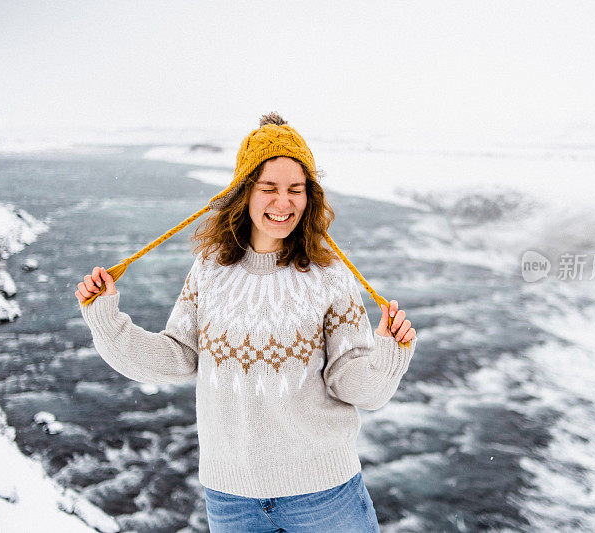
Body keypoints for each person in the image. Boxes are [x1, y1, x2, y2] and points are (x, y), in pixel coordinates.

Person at [76, 112, 418, 532]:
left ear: (310, 196)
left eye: (296, 189)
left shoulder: (329, 275)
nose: (283, 202)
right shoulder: (210, 268)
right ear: (244, 192)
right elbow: (178, 356)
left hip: (324, 496)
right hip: (231, 500)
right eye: (269, 188)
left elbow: (354, 385)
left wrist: (387, 356)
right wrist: (106, 320)